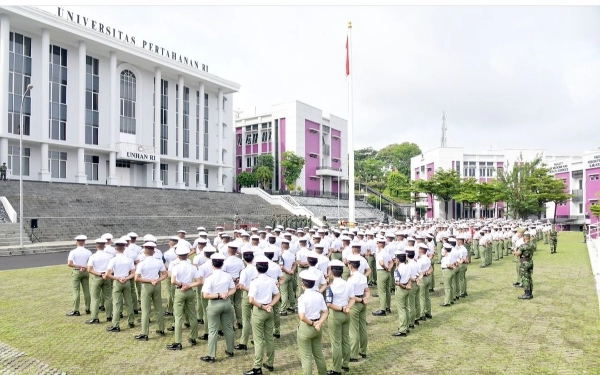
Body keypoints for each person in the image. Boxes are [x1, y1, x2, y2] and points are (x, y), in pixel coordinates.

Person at [244, 255, 281, 375]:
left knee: (258, 340)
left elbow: (251, 300)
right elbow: (277, 295)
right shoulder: (271, 280)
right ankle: (270, 363)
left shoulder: (255, 282)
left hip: (259, 310)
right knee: (269, 338)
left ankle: (257, 367)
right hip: (269, 310)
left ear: (257, 268)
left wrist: (262, 306)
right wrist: (270, 305)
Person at [201, 253, 236, 363]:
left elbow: (205, 295)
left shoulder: (210, 278)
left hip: (215, 304)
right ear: (222, 264)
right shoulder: (227, 275)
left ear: (212, 264)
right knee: (228, 328)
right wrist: (226, 294)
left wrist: (219, 295)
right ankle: (230, 350)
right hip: (226, 303)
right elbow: (233, 289)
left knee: (213, 331)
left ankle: (211, 355)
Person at [166, 244, 200, 350]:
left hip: (180, 291)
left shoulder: (176, 267)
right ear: (187, 255)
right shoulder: (192, 267)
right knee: (193, 315)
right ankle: (193, 337)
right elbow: (199, 281)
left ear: (178, 255)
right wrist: (188, 285)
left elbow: (172, 281)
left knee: (178, 316)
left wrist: (181, 285)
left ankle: (178, 341)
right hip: (189, 290)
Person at [296, 270, 329, 375]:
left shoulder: (302, 298)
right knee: (319, 354)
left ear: (303, 284)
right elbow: (325, 312)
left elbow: (302, 316)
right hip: (318, 326)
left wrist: (312, 323)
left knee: (306, 358)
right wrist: (319, 323)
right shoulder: (319, 295)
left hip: (307, 327)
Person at [134, 242, 168, 341]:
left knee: (145, 310)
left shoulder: (141, 263)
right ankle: (161, 328)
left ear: (144, 251)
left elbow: (137, 278)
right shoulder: (158, 261)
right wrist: (157, 280)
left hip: (147, 285)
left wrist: (150, 280)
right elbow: (165, 274)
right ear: (154, 251)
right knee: (158, 308)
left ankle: (145, 333)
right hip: (157, 285)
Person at [325, 259, 354, 375]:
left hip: (336, 314)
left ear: (331, 272)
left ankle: (336, 368)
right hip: (346, 313)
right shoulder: (348, 284)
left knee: (336, 343)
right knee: (345, 340)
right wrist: (347, 307)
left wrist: (342, 308)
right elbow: (352, 298)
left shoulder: (330, 287)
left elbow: (329, 304)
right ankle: (345, 364)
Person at [105, 238, 136, 332]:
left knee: (117, 303)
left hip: (118, 281)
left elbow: (108, 274)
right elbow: (133, 273)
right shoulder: (129, 259)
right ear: (124, 248)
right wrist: (126, 278)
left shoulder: (113, 260)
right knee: (129, 302)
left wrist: (118, 278)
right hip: (126, 280)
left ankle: (116, 324)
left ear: (115, 248)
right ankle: (131, 321)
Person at [346, 256, 369, 362]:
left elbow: (350, 296)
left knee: (353, 330)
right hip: (362, 302)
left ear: (350, 266)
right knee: (362, 327)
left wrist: (360, 300)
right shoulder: (363, 277)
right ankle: (363, 351)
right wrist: (365, 299)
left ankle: (353, 354)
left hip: (355, 303)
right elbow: (367, 291)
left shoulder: (351, 279)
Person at [85, 238, 113, 324]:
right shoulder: (109, 256)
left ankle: (95, 317)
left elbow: (89, 269)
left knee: (95, 298)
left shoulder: (93, 256)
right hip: (107, 277)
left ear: (96, 246)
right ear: (104, 246)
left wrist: (100, 274)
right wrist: (106, 274)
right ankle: (109, 316)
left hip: (97, 277)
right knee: (108, 297)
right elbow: (112, 269)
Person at [66, 235, 92, 317]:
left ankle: (76, 310)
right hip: (85, 271)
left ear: (76, 242)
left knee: (76, 291)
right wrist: (83, 267)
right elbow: (90, 264)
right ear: (84, 242)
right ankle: (87, 308)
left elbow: (69, 264)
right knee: (86, 290)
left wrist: (79, 266)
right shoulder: (88, 252)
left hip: (77, 271)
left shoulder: (73, 252)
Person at [392, 250, 411, 337]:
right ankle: (406, 326)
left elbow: (397, 282)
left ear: (398, 259)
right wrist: (407, 285)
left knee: (401, 310)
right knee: (406, 308)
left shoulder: (397, 269)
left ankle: (402, 329)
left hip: (401, 289)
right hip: (407, 287)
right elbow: (410, 277)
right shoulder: (407, 267)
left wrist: (404, 286)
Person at [372, 237, 392, 316]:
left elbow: (381, 262)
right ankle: (388, 307)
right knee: (387, 290)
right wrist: (389, 268)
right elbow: (391, 262)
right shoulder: (386, 252)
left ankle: (382, 309)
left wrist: (385, 267)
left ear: (380, 244)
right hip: (387, 272)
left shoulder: (380, 253)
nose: (377, 244)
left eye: (377, 243)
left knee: (381, 291)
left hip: (381, 271)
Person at [514, 233, 535, 300]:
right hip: (530, 261)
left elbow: (518, 254)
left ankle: (527, 294)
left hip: (524, 263)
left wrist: (514, 251)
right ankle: (530, 292)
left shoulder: (523, 246)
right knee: (529, 277)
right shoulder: (532, 245)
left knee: (525, 278)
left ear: (524, 238)